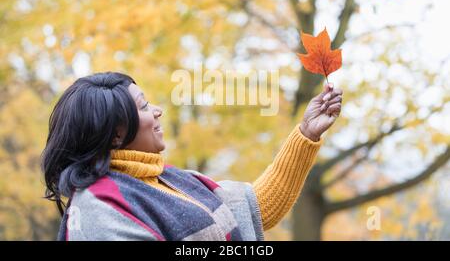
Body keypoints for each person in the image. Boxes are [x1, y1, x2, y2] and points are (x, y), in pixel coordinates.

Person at [41, 72, 343, 240]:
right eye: (144, 106)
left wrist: (306, 134)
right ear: (117, 133)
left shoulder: (172, 180)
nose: (157, 111)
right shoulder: (100, 207)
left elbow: (257, 209)